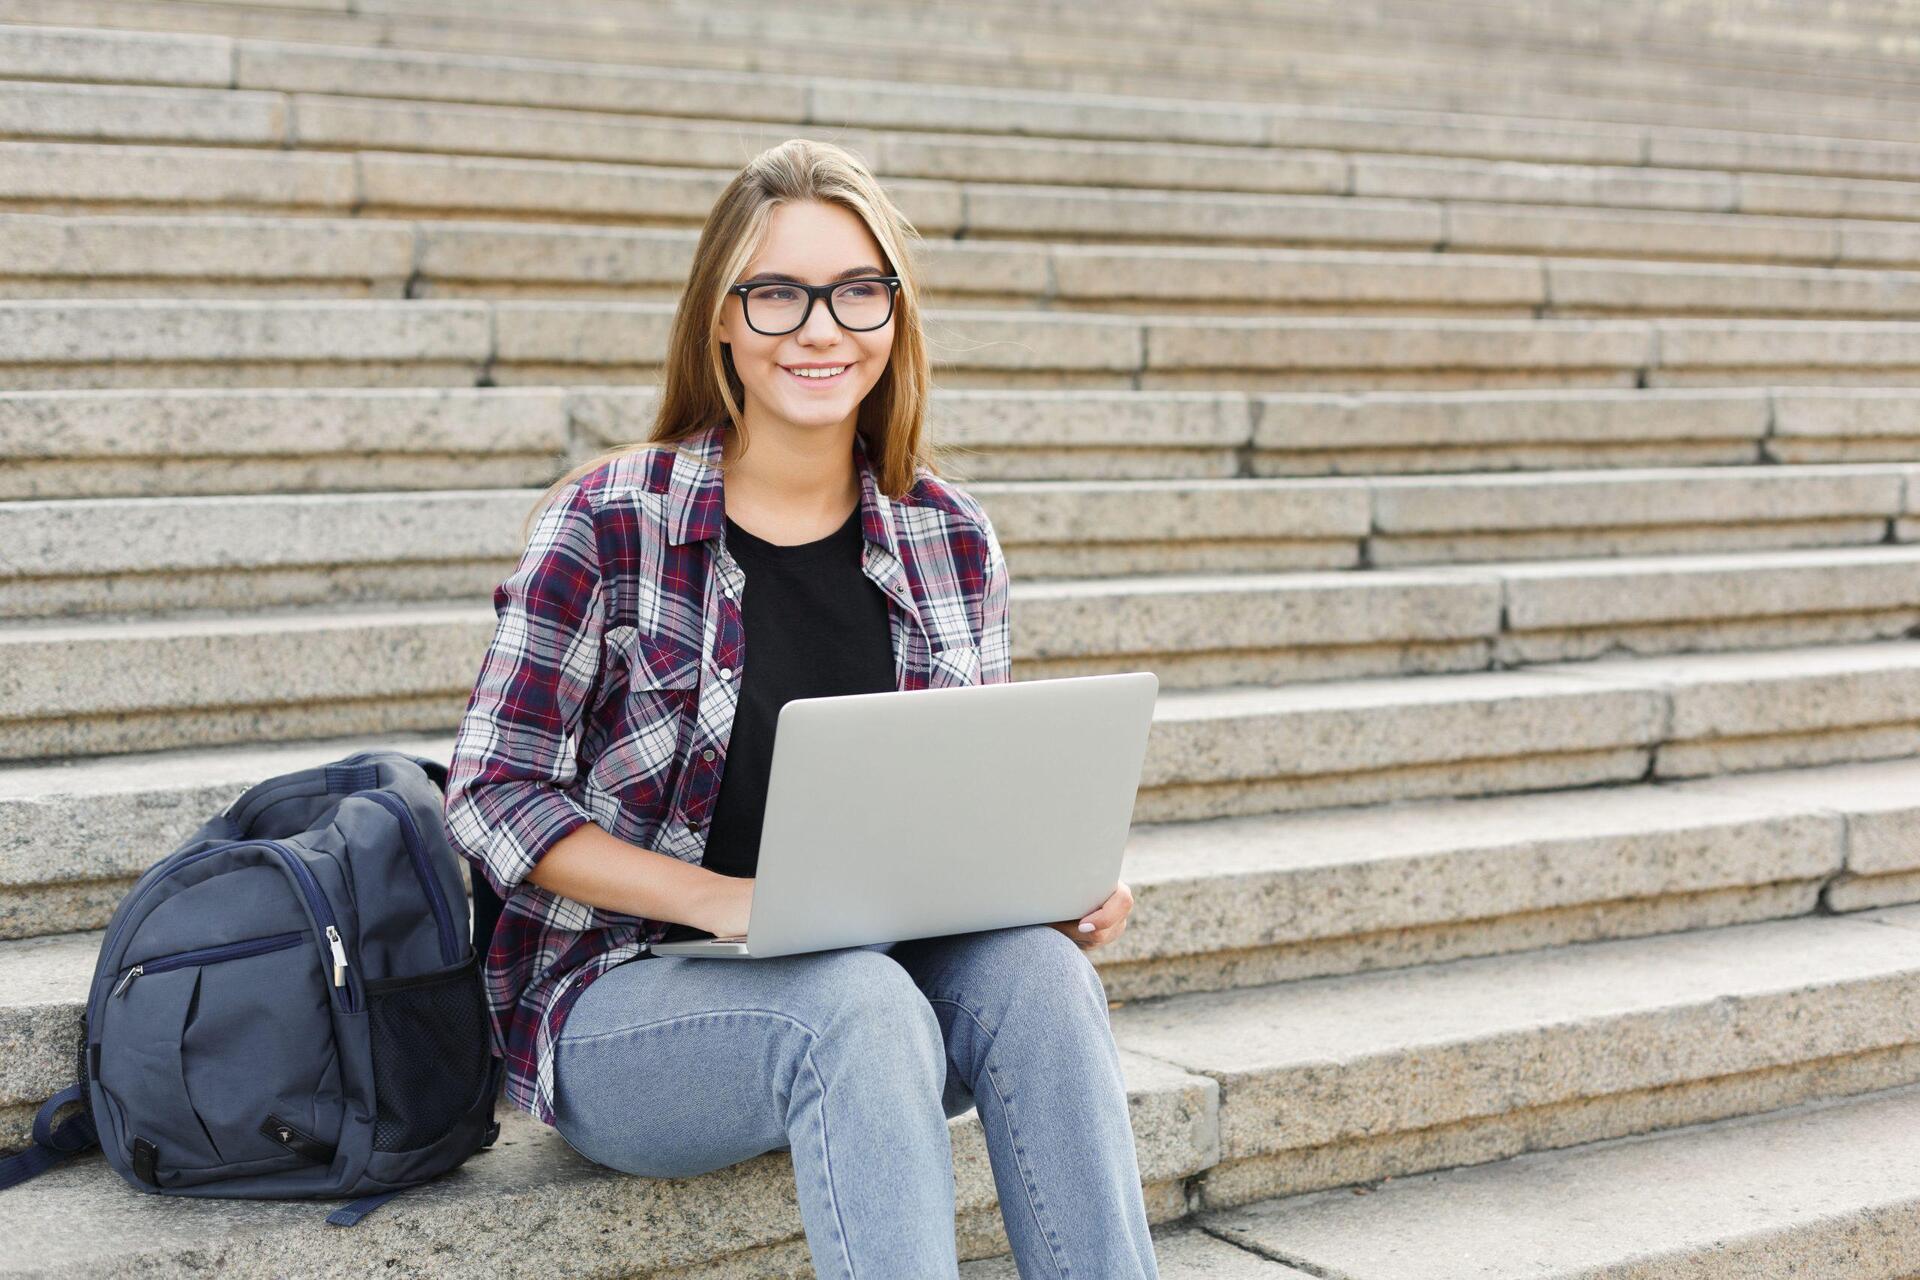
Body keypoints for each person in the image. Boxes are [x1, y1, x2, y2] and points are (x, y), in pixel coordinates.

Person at [443, 137, 1159, 1278]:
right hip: (624, 1002)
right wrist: (722, 899)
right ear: (721, 318)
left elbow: (962, 793)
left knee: (1041, 972)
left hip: (879, 973)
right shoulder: (611, 522)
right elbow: (490, 793)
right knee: (859, 1004)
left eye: (856, 291)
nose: (821, 328)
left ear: (895, 313)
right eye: (777, 293)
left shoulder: (951, 537)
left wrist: (1049, 881)